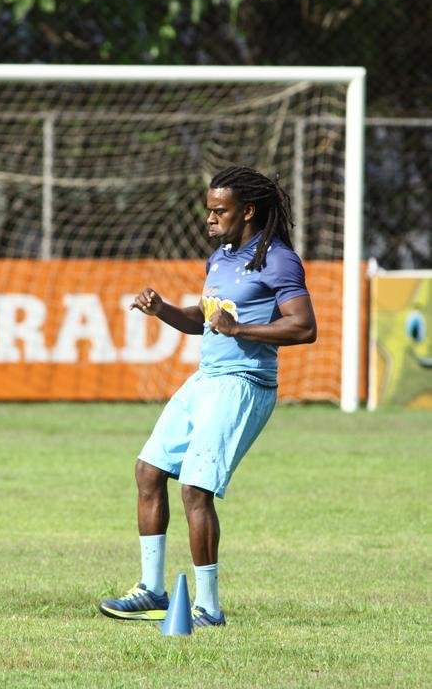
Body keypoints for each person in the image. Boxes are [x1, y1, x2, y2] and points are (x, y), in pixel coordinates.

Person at [99, 165, 317, 628]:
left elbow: (304, 326)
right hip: (206, 377)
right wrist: (162, 311)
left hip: (243, 383)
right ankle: (151, 591)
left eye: (220, 210)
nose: (210, 218)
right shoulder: (220, 257)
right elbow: (203, 318)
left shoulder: (278, 259)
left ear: (249, 210)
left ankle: (208, 608)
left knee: (195, 489)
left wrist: (241, 329)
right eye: (208, 210)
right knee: (148, 470)